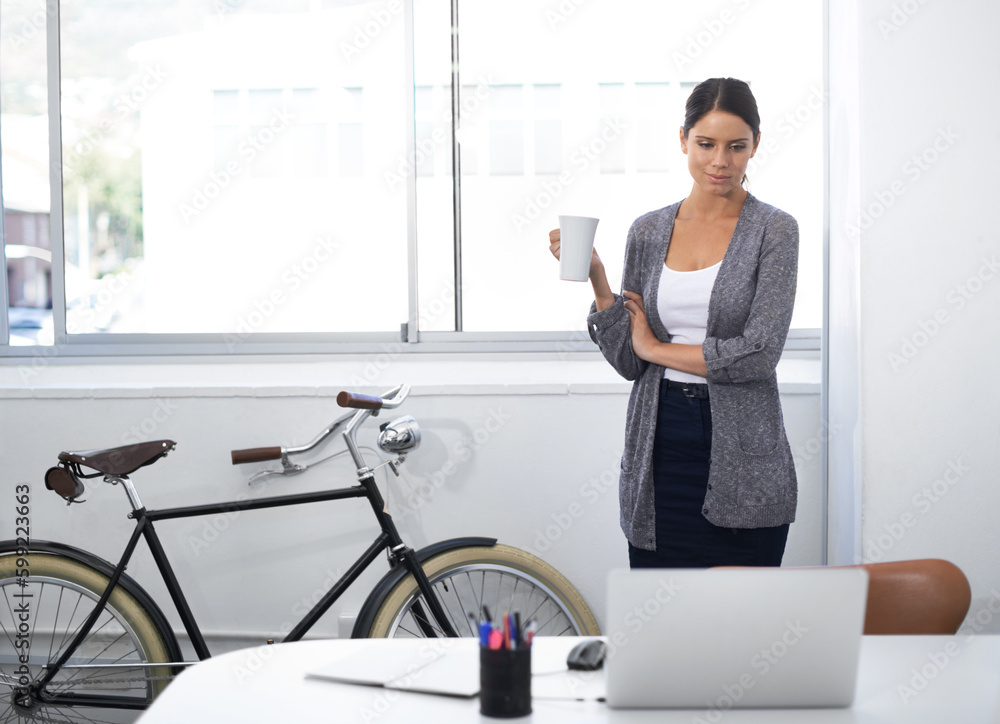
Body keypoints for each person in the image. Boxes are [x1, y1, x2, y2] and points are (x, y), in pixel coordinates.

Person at [548, 78, 798, 568]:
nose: (720, 161)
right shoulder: (648, 231)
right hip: (660, 438)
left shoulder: (775, 230)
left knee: (744, 620)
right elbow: (627, 359)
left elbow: (759, 353)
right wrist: (601, 285)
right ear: (683, 139)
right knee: (660, 616)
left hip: (743, 446)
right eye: (705, 144)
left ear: (755, 146)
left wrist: (657, 349)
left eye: (736, 147)